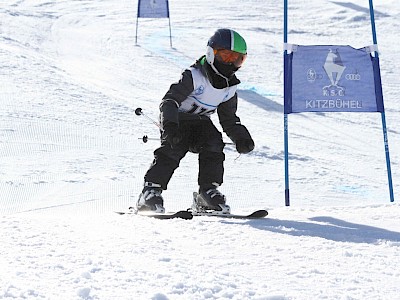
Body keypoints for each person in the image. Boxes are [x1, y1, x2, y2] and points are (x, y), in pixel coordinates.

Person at [137, 28, 255, 213]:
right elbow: (169, 101)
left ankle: (207, 193)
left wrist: (241, 138)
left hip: (200, 123)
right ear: (211, 53)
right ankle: (150, 192)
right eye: (225, 56)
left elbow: (229, 119)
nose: (230, 63)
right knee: (173, 147)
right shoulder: (194, 76)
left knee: (214, 142)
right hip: (177, 120)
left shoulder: (229, 88)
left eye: (237, 58)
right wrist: (170, 125)